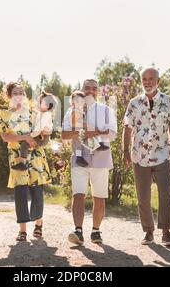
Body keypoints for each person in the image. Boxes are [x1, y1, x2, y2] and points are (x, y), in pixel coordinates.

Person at [122, 67, 170, 247]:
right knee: (143, 196)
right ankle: (148, 232)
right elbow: (127, 127)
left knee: (166, 194)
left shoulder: (168, 102)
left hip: (162, 154)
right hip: (139, 156)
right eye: (144, 79)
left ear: (158, 81)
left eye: (151, 79)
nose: (147, 82)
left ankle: (166, 232)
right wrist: (125, 151)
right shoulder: (134, 103)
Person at [62, 79, 117, 245]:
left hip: (101, 158)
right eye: (87, 88)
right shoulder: (72, 110)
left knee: (99, 197)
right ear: (82, 90)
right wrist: (80, 131)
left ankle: (96, 230)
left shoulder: (106, 110)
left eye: (94, 88)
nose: (90, 91)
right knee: (78, 195)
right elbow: (64, 136)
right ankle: (78, 231)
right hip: (79, 159)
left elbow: (113, 134)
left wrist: (94, 132)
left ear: (98, 91)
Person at [0, 82, 51, 241]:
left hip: (35, 155)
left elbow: (43, 132)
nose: (19, 95)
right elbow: (5, 137)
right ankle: (22, 230)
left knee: (37, 191)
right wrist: (24, 137)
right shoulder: (3, 114)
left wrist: (39, 137)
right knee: (20, 192)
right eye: (15, 92)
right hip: (16, 156)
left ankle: (38, 224)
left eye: (21, 92)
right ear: (9, 95)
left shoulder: (34, 113)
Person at [11, 91, 57, 170]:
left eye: (40, 102)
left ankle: (22, 163)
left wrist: (30, 135)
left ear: (47, 106)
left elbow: (38, 129)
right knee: (26, 143)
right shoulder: (42, 113)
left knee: (24, 145)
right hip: (40, 135)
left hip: (41, 138)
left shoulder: (46, 115)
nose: (37, 103)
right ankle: (25, 161)